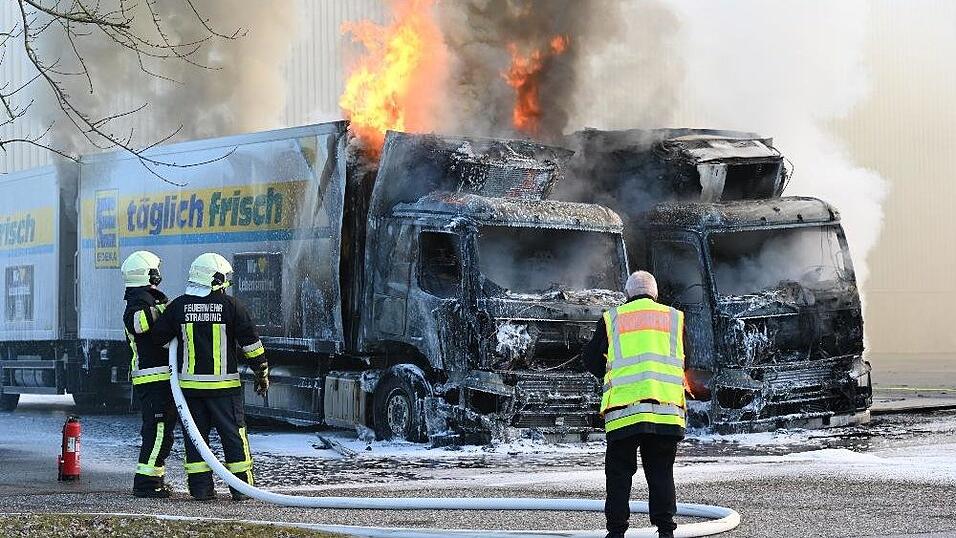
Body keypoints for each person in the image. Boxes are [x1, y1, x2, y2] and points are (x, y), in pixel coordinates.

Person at [581, 270, 693, 538]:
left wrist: (612, 374)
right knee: (661, 474)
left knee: (619, 475)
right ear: (656, 294)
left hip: (624, 412)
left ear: (627, 294)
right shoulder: (675, 318)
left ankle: (617, 532)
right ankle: (666, 530)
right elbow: (684, 361)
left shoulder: (613, 319)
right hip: (665, 412)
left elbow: (591, 360)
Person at [152, 252, 270, 501]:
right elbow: (252, 345)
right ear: (216, 279)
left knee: (196, 440)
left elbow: (158, 339)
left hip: (190, 392)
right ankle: (242, 489)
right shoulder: (232, 306)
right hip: (224, 390)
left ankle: (201, 491)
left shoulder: (178, 307)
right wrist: (261, 373)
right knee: (233, 438)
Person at [121, 250, 176, 498]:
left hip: (159, 377)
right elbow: (138, 323)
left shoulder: (146, 299)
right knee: (158, 431)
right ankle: (145, 485)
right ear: (150, 273)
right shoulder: (138, 303)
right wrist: (169, 311)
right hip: (151, 377)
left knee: (162, 431)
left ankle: (155, 480)